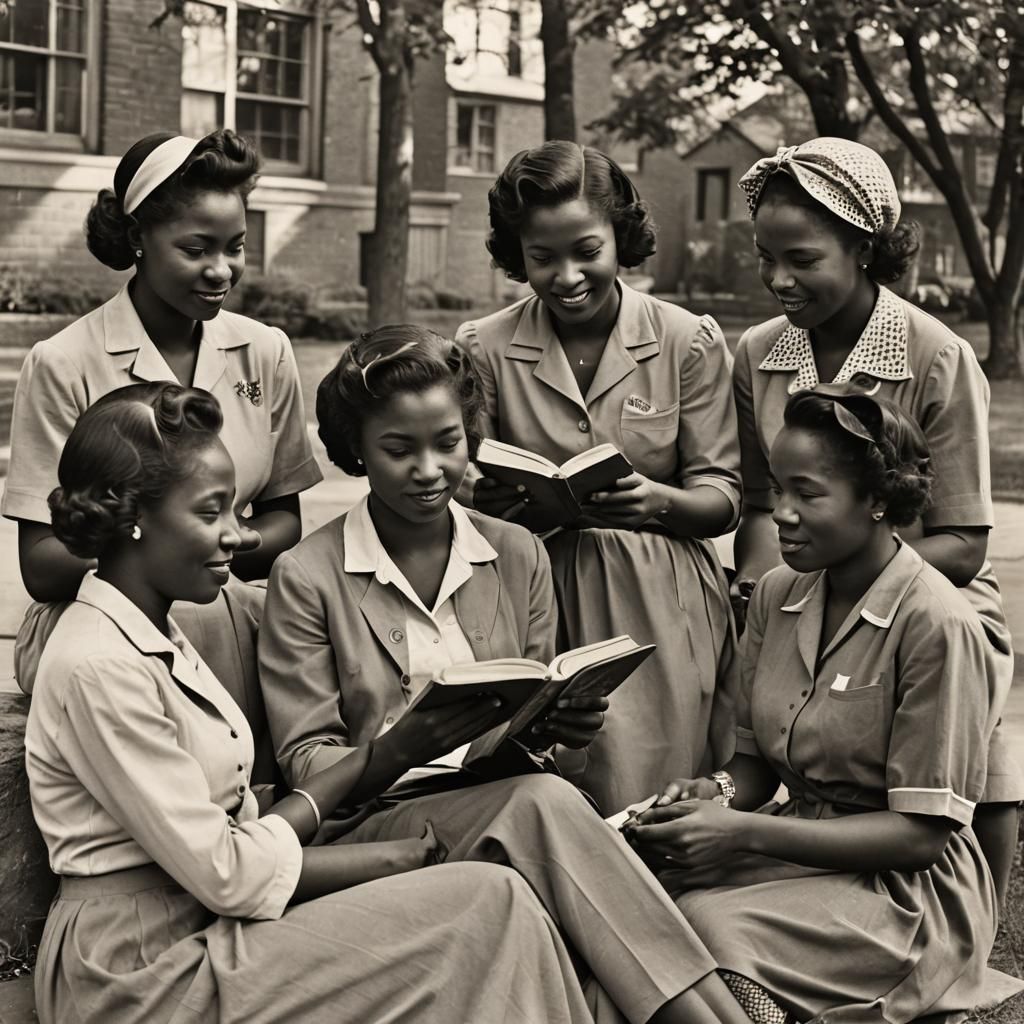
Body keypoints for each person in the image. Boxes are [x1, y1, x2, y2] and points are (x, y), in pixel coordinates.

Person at [26, 380, 607, 1024]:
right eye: (210, 513)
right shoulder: (99, 665)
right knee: (484, 904)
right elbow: (231, 873)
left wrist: (384, 776)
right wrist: (382, 825)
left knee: (496, 899)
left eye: (237, 512)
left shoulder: (155, 629)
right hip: (137, 970)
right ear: (132, 516)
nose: (240, 537)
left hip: (203, 922)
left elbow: (230, 839)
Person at [258, 325, 755, 1024]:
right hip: (373, 822)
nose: (429, 469)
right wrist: (406, 745)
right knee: (544, 807)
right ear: (356, 454)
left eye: (448, 443)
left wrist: (561, 725)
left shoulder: (517, 552)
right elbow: (309, 763)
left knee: (548, 800)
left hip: (505, 795)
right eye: (398, 450)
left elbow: (544, 734)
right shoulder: (308, 575)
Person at [627, 388, 1024, 1023]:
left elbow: (919, 837)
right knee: (636, 903)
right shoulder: (776, 594)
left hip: (908, 895)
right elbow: (752, 766)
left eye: (807, 494)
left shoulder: (938, 624)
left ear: (876, 501)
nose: (780, 513)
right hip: (802, 845)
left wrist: (741, 833)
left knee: (705, 929)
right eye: (778, 489)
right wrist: (715, 795)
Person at [729, 136, 1022, 903]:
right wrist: (761, 583)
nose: (777, 279)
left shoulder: (935, 356)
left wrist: (834, 580)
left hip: (934, 592)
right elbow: (762, 505)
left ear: (862, 246)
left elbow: (962, 539)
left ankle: (964, 932)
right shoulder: (757, 352)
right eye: (765, 257)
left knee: (954, 755)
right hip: (807, 586)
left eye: (801, 259)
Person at [2, 130, 320, 761]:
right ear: (138, 240)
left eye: (235, 248)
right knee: (205, 627)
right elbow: (41, 565)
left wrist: (223, 540)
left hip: (223, 597)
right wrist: (159, 547)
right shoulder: (65, 362)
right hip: (93, 618)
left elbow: (286, 523)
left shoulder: (265, 351)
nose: (220, 271)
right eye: (196, 249)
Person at [456, 141, 741, 814]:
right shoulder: (484, 346)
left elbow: (723, 498)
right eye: (542, 258)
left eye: (587, 250)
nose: (567, 275)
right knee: (550, 785)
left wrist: (657, 500)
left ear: (622, 236)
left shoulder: (686, 340)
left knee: (656, 781)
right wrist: (484, 497)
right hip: (535, 588)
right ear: (514, 253)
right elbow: (462, 482)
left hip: (659, 597)